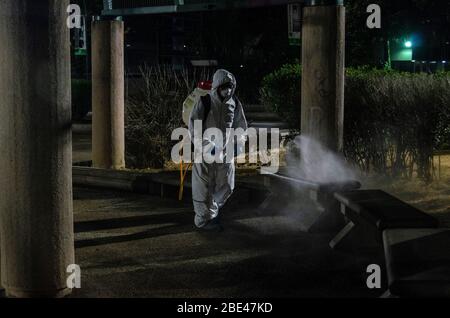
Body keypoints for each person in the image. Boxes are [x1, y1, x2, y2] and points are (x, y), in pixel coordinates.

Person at [188, 69, 248, 231]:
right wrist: (206, 147)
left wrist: (238, 145)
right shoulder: (205, 101)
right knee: (203, 188)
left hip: (225, 153)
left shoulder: (234, 103)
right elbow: (194, 126)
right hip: (205, 154)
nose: (227, 90)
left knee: (227, 185)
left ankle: (211, 213)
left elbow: (241, 127)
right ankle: (202, 220)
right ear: (217, 86)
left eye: (230, 86)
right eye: (224, 86)